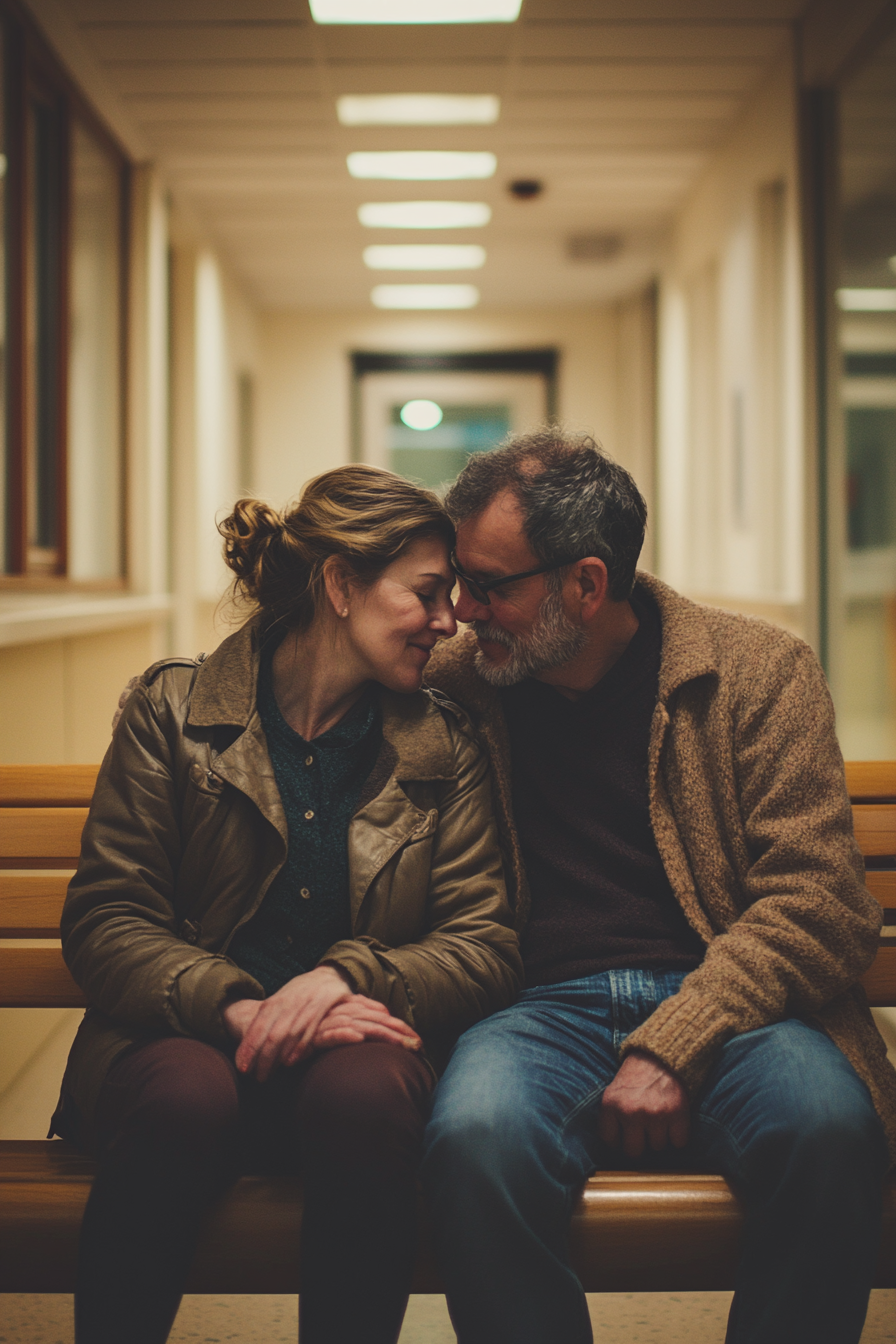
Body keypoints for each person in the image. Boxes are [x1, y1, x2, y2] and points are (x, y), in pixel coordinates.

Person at [420, 430, 896, 1344]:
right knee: (473, 1139)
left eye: (489, 586)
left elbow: (822, 904)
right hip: (533, 1008)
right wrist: (167, 700)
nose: (461, 610)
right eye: (457, 580)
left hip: (735, 1006)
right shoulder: (456, 682)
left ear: (585, 586)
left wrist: (674, 1039)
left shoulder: (757, 672)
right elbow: (308, 664)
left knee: (831, 1132)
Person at [52, 464, 522, 1344]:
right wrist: (233, 1004)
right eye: (426, 593)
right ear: (340, 585)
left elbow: (483, 941)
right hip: (182, 1037)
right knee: (185, 1097)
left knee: (368, 1094)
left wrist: (347, 978)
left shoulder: (444, 745)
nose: (448, 620)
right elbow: (109, 917)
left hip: (352, 1047)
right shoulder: (176, 712)